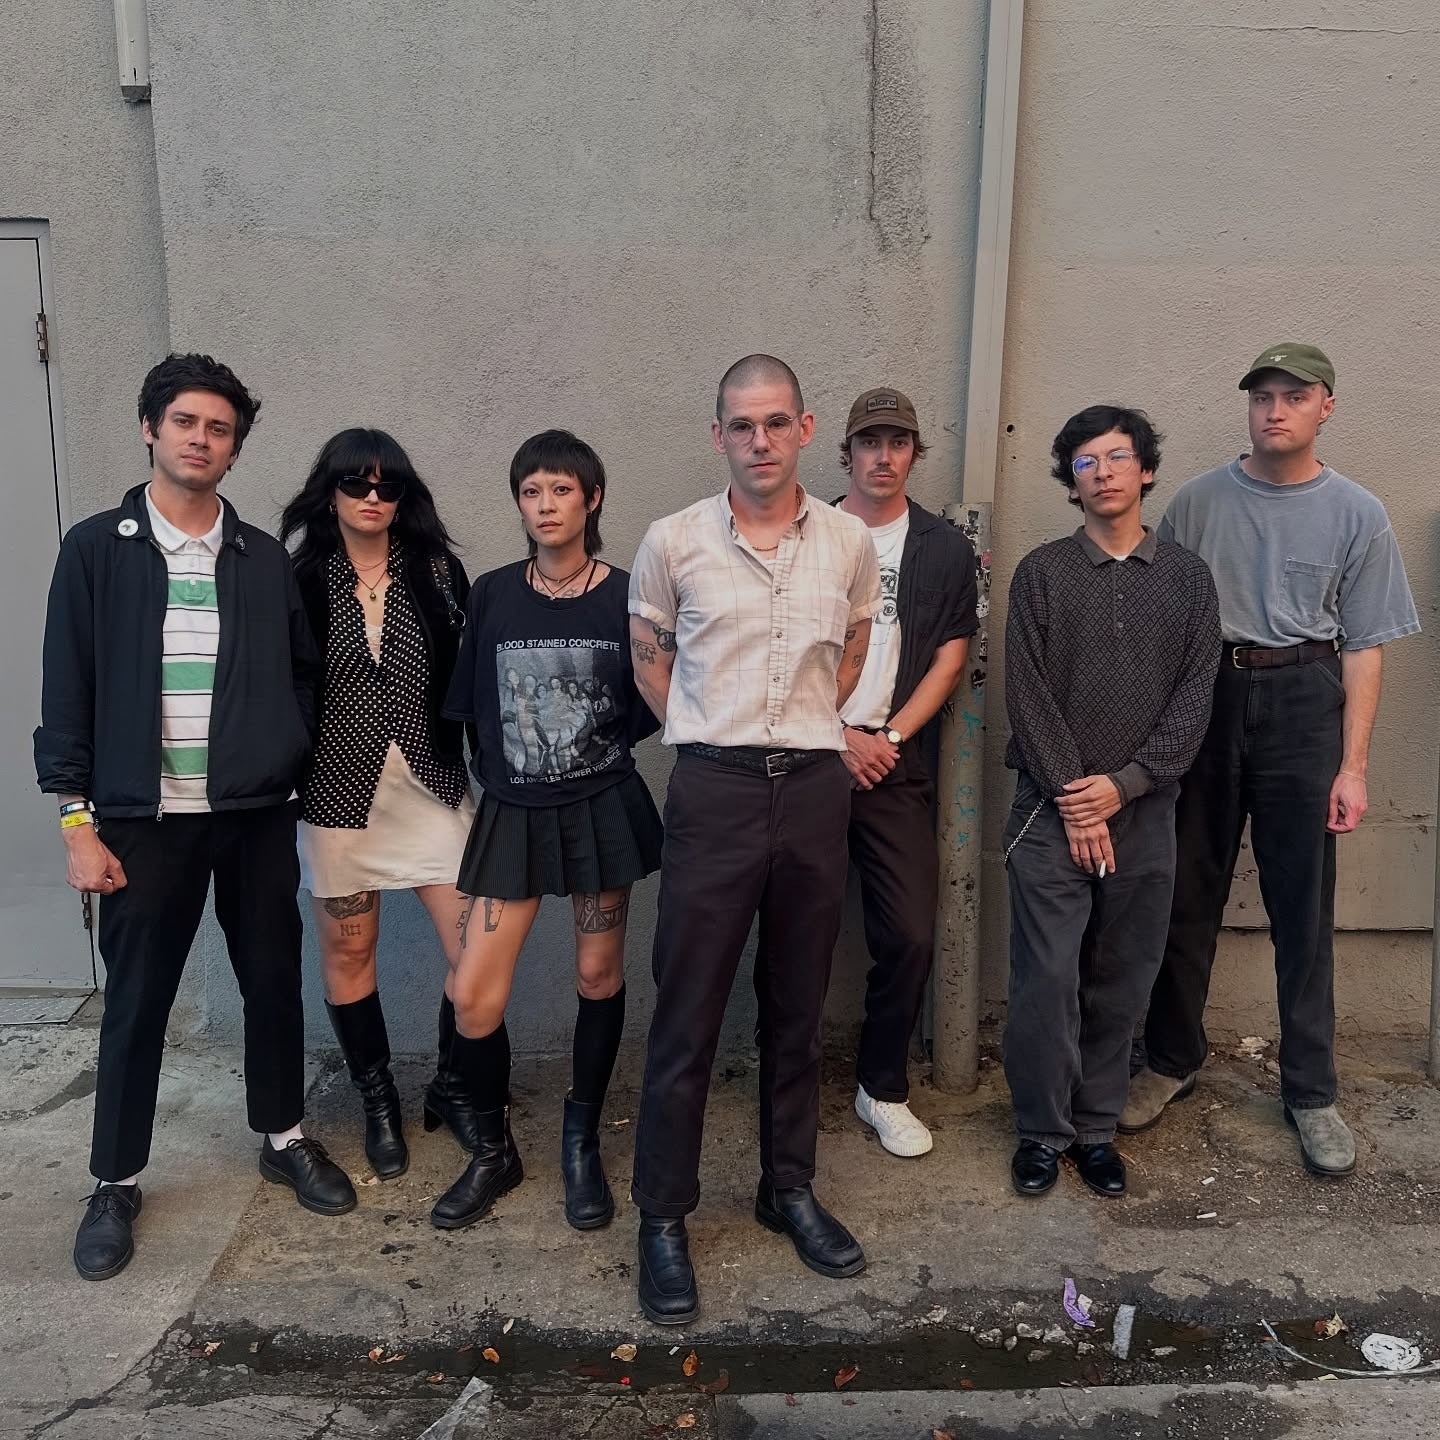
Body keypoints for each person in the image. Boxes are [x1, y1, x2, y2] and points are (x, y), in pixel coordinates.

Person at [35, 353, 355, 1282]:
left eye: (219, 428)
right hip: (143, 820)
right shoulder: (96, 549)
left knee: (272, 983)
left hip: (253, 816)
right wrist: (77, 822)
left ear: (235, 446)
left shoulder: (260, 558)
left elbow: (304, 672)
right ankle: (115, 1180)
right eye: (185, 422)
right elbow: (68, 688)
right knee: (138, 1001)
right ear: (150, 428)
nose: (201, 440)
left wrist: (284, 750)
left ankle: (284, 1136)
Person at [1122, 346, 1420, 1177]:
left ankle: (1311, 1091)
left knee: (1303, 906)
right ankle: (1170, 1059)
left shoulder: (1357, 512)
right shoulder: (1197, 502)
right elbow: (1161, 622)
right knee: (1185, 893)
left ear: (1327, 407)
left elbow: (1365, 645)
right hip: (1207, 697)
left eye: (1294, 396)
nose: (1275, 410)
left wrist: (1353, 766)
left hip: (1304, 701)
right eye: (1262, 397)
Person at [627, 354, 881, 1326]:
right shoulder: (674, 540)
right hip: (715, 789)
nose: (761, 440)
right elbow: (650, 660)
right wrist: (709, 731)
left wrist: (803, 729)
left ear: (806, 429)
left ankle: (788, 1188)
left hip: (814, 788)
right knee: (687, 1011)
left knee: (798, 1007)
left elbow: (852, 654)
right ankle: (663, 1215)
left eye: (777, 422)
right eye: (742, 425)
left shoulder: (849, 542)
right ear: (719, 436)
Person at [434, 429, 662, 1234]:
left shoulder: (628, 595)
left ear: (591, 499)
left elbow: (646, 703)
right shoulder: (493, 593)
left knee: (598, 975)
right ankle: (493, 1149)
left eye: (561, 489)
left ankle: (580, 1140)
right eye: (531, 491)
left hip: (601, 809)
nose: (545, 505)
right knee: (473, 994)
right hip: (513, 813)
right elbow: (471, 706)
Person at [1002, 406, 1219, 1200]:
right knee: (1047, 978)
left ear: (1146, 470)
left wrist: (1123, 787)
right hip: (1049, 810)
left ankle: (1096, 1129)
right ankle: (1041, 1130)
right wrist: (1078, 799)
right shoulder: (1041, 574)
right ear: (1071, 479)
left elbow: (1194, 698)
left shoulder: (1189, 579)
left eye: (1118, 456)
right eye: (1086, 461)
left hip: (1147, 812)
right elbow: (1027, 696)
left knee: (1122, 976)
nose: (1103, 472)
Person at [279, 428, 476, 1181]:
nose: (371, 497)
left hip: (432, 783)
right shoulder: (299, 578)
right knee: (349, 951)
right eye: (356, 484)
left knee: (474, 949)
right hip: (336, 791)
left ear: (403, 496)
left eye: (386, 485)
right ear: (329, 491)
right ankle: (378, 1100)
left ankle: (452, 1084)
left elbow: (466, 675)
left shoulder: (437, 571)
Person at [834, 387, 978, 1157]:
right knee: (791, 929)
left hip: (893, 761)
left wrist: (887, 736)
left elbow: (952, 655)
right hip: (808, 759)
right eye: (870, 442)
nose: (883, 457)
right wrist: (837, 736)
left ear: (914, 454)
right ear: (847, 453)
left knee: (911, 934)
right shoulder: (806, 532)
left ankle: (881, 1087)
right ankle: (783, 1081)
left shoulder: (943, 548)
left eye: (897, 443)